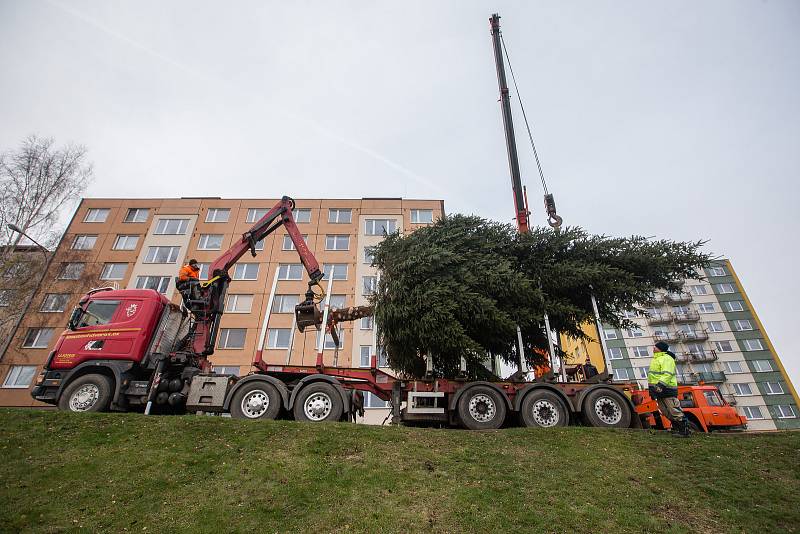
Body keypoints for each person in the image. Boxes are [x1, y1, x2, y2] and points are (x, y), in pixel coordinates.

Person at [648, 341, 690, 437]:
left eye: (655, 347)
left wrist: (660, 386)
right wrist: (652, 389)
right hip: (658, 390)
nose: (653, 348)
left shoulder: (667, 358)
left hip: (666, 389)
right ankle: (677, 428)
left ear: (661, 349)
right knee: (665, 411)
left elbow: (667, 374)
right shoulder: (657, 358)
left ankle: (684, 430)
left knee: (674, 410)